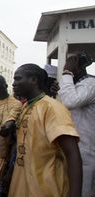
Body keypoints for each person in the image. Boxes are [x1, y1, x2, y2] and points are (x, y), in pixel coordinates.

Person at [9, 63, 82, 197]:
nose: (14, 83)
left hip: (47, 190)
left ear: (34, 80)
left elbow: (72, 154)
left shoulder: (52, 108)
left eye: (18, 79)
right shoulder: (27, 106)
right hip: (22, 187)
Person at [58, 54, 95, 196]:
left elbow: (71, 101)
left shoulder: (91, 84)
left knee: (82, 191)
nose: (65, 66)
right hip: (73, 147)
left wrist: (67, 73)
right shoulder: (76, 85)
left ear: (77, 67)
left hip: (85, 151)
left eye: (69, 63)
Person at [0, 75, 22, 196]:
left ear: (6, 86)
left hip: (4, 154)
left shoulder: (16, 103)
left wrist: (7, 127)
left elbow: (10, 120)